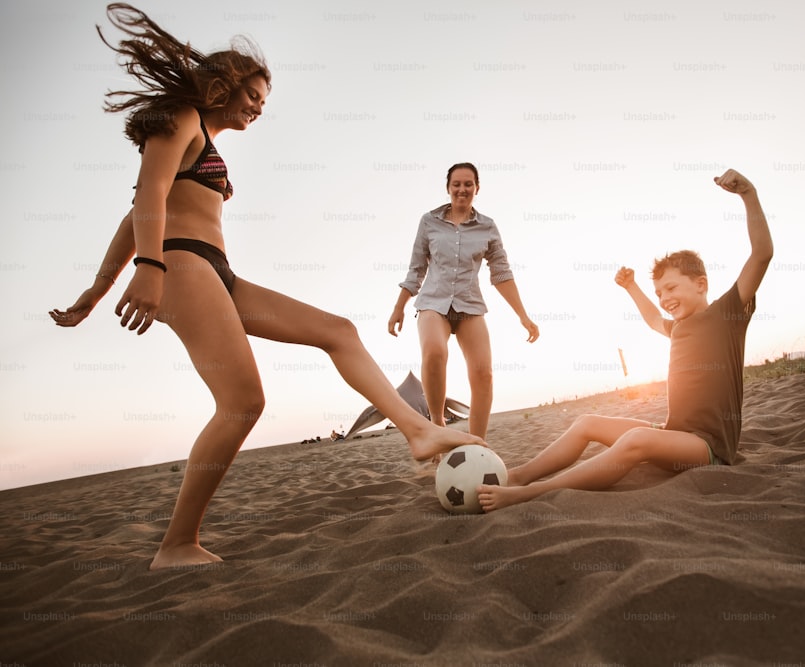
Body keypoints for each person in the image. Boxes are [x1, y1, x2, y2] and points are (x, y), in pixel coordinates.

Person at [49, 3, 481, 570]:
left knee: (338, 331)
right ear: (223, 84)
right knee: (242, 402)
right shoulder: (181, 118)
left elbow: (134, 220)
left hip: (214, 270)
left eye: (263, 101)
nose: (258, 106)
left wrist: (96, 289)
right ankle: (176, 545)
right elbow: (146, 201)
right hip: (180, 265)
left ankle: (418, 432)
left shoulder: (204, 137)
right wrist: (146, 270)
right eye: (253, 94)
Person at [477, 169, 773, 511]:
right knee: (586, 423)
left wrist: (748, 194)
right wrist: (632, 287)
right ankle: (519, 477)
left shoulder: (725, 315)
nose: (664, 298)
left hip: (707, 449)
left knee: (637, 439)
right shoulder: (678, 329)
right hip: (672, 435)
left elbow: (762, 254)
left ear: (701, 284)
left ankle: (534, 493)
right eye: (660, 291)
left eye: (672, 288)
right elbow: (651, 319)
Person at [388, 163, 540, 439]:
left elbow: (501, 273)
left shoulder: (488, 227)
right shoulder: (429, 222)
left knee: (484, 373)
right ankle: (437, 425)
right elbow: (416, 269)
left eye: (468, 184)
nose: (462, 189)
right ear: (448, 188)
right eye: (456, 184)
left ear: (477, 188)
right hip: (433, 304)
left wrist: (523, 316)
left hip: (470, 307)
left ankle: (477, 443)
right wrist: (399, 307)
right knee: (435, 352)